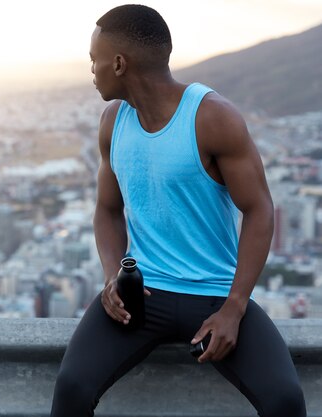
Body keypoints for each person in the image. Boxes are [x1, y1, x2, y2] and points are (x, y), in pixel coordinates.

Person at [49, 5, 306, 417]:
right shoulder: (112, 122)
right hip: (142, 297)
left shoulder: (211, 117)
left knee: (285, 401)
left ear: (118, 63)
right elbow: (107, 210)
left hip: (215, 296)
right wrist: (112, 277)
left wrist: (235, 308)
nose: (91, 70)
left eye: (94, 60)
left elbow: (260, 210)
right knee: (71, 389)